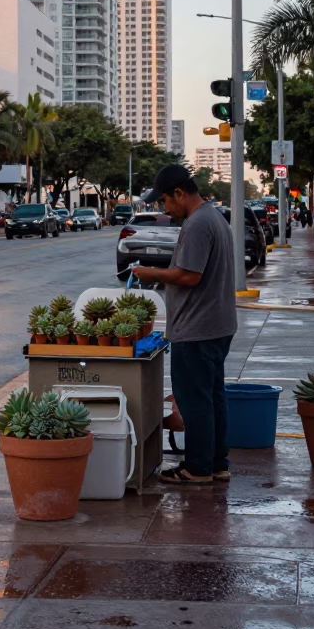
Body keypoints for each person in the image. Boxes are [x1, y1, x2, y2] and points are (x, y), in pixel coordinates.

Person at [132, 165, 237, 485]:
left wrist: (152, 274)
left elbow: (190, 276)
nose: (164, 208)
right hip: (216, 325)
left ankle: (198, 468)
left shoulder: (197, 224)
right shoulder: (214, 217)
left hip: (197, 328)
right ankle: (217, 463)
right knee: (212, 397)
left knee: (194, 401)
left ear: (180, 193)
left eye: (165, 200)